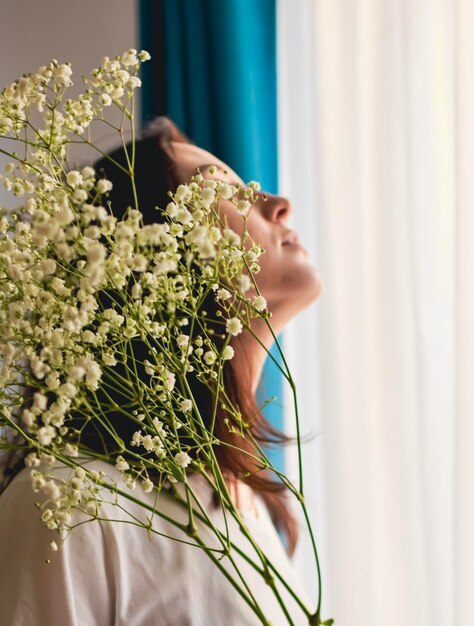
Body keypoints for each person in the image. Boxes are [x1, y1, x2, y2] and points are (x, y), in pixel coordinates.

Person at [0, 116, 322, 625]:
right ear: (154, 258)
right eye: (229, 192)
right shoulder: (66, 504)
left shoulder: (239, 498)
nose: (277, 203)